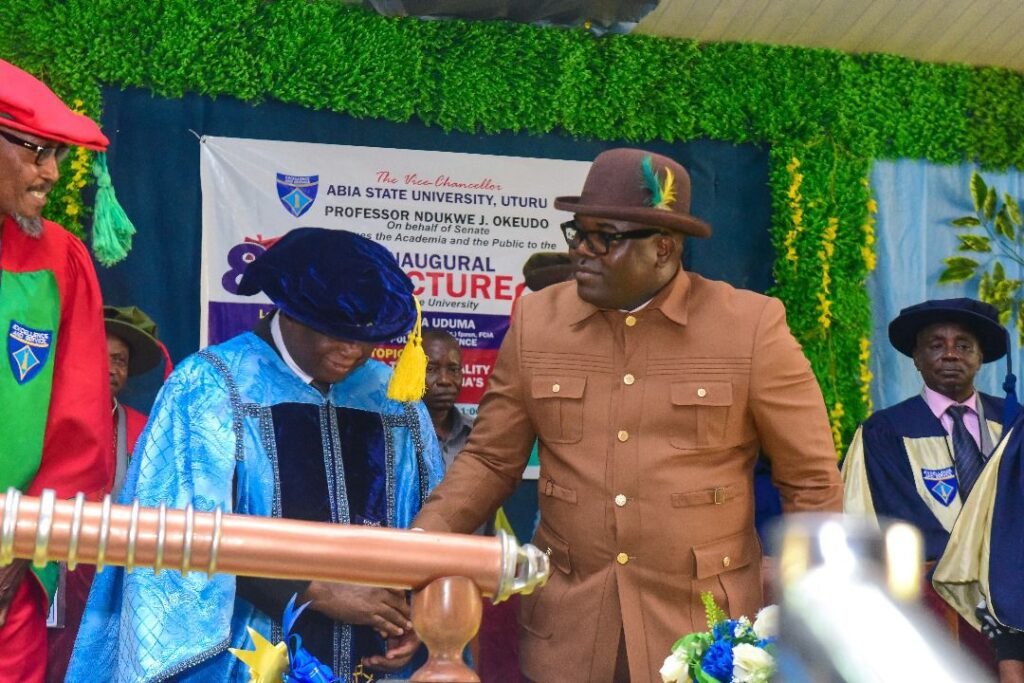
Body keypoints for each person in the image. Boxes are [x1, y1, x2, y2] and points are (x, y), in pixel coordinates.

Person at [412, 148, 844, 682]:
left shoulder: (750, 328)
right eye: (578, 233)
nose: (581, 251)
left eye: (604, 238)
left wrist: (813, 610)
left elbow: (810, 481)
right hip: (569, 632)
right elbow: (489, 461)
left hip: (705, 638)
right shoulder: (537, 321)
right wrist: (415, 554)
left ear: (663, 247)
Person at [68, 228, 445, 682]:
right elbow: (178, 535)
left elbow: (433, 523)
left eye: (366, 337)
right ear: (291, 310)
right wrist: (315, 592)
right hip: (242, 655)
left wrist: (421, 615)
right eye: (335, 332)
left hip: (374, 660)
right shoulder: (211, 387)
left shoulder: (392, 400)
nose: (353, 350)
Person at [0, 58, 113, 682]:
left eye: (57, 155)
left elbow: (79, 426)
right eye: (37, 151)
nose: (52, 172)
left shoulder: (57, 260)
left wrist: (19, 544)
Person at [842, 297, 1013, 671]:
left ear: (980, 357)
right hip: (933, 604)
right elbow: (897, 519)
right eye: (936, 345)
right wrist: (972, 567)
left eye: (963, 345)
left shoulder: (1014, 423)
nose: (950, 354)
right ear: (916, 357)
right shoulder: (885, 433)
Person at [45, 305, 167, 683]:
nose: (112, 368)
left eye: (120, 360)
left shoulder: (144, 429)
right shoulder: (45, 420)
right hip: (50, 572)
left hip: (113, 577)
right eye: (102, 356)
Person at [422, 329, 474, 468]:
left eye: (453, 369)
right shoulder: (393, 434)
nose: (444, 380)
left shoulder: (477, 436)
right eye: (431, 369)